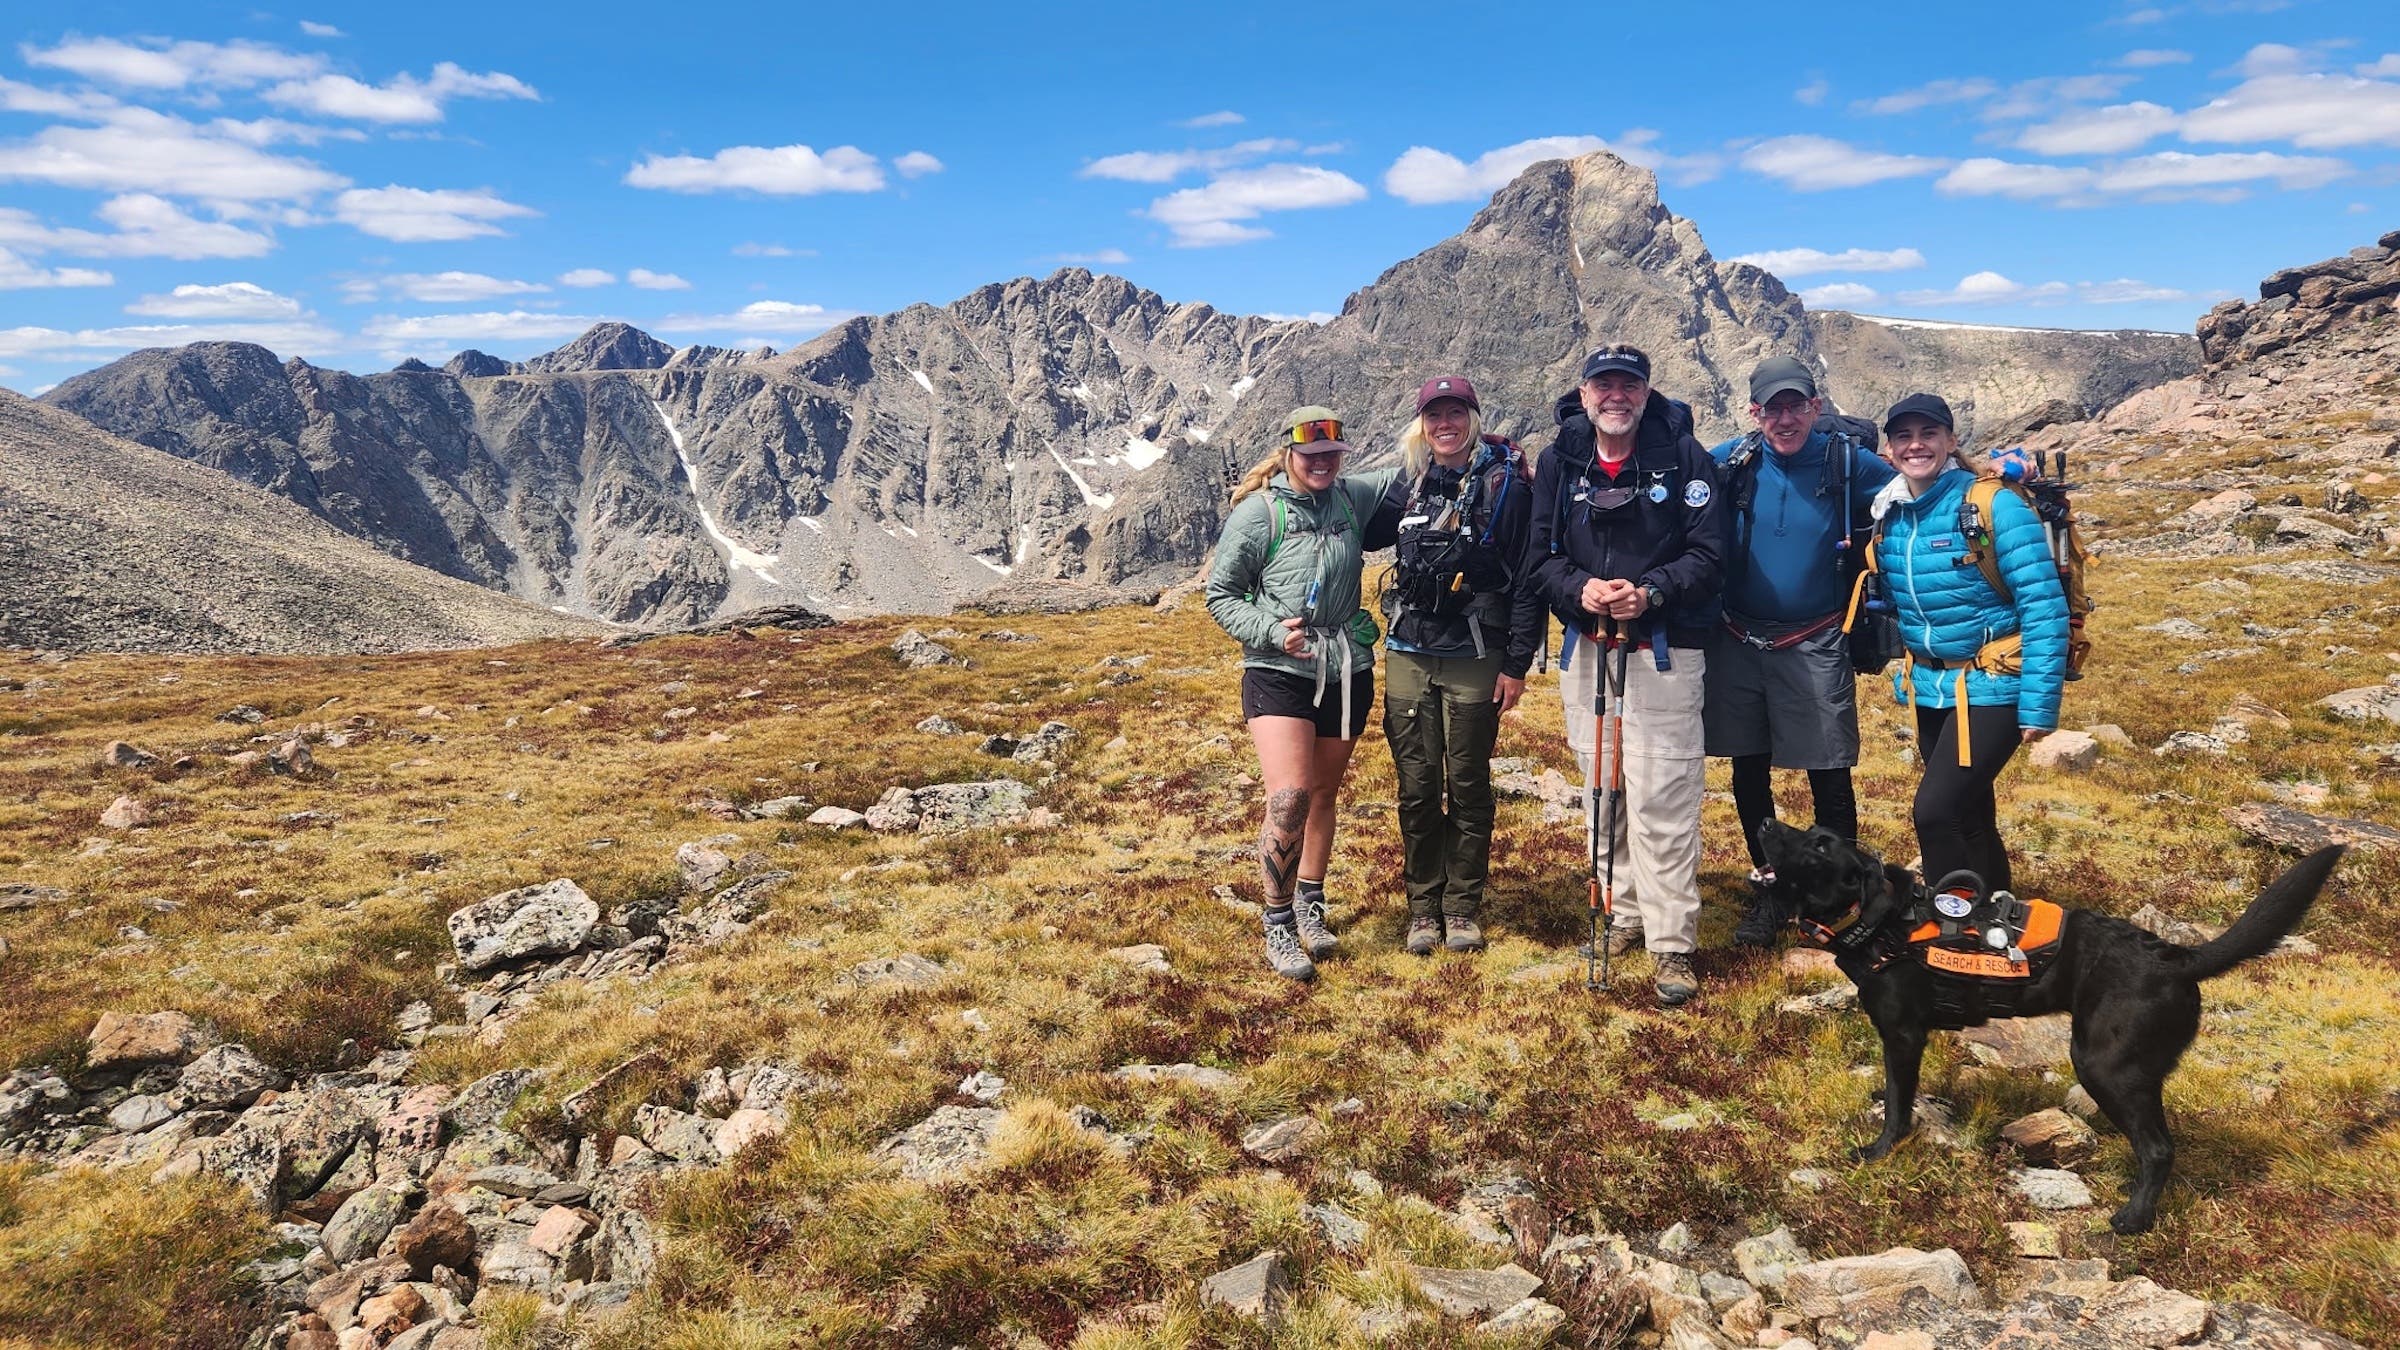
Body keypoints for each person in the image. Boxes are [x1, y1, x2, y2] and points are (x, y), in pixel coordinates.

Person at [1526, 345, 1726, 1007]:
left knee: (1663, 796)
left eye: (1628, 385)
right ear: (1584, 393)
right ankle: (1623, 914)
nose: (1616, 396)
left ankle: (1672, 945)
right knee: (1604, 790)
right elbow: (1539, 558)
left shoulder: (1686, 456)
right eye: (1603, 385)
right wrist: (1580, 590)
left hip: (1664, 648)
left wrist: (1651, 592)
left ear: (1646, 392)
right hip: (1586, 648)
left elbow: (1709, 553)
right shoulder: (1560, 461)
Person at [1205, 405, 1401, 981]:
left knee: (1322, 793)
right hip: (1277, 669)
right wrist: (1270, 630)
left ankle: (1312, 906)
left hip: (1346, 665)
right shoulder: (1258, 514)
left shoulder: (1351, 498)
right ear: (1289, 454)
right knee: (1288, 796)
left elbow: (1413, 468)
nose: (1322, 465)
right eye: (1312, 456)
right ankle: (1279, 922)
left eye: (1332, 456)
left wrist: (1486, 443)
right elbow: (1221, 594)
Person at [1704, 356, 1895, 946]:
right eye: (1772, 407)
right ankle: (1771, 890)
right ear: (1754, 411)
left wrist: (1989, 482)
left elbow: (1916, 485)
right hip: (1736, 638)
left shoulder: (1847, 462)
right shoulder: (1729, 461)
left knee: (1828, 769)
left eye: (1796, 405)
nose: (1784, 418)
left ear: (1816, 407)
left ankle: (1839, 892)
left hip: (1814, 638)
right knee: (1748, 767)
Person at [1373, 375, 1545, 956]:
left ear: (1473, 417)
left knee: (1467, 783)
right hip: (1407, 652)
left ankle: (1462, 907)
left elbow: (1528, 578)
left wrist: (1517, 662)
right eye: (1434, 415)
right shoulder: (1410, 483)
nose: (1444, 424)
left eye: (1455, 413)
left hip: (1476, 654)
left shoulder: (1507, 486)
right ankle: (1423, 908)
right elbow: (1350, 517)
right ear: (1421, 424)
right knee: (1417, 786)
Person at [1872, 392, 2069, 895]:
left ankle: (1952, 926)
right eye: (1904, 437)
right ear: (1889, 448)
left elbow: (2045, 607)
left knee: (1934, 812)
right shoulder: (1892, 515)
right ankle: (1997, 919)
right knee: (1971, 814)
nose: (1917, 446)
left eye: (1929, 434)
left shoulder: (1993, 505)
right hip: (1933, 685)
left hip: (1995, 681)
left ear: (1951, 441)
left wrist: (2039, 707)